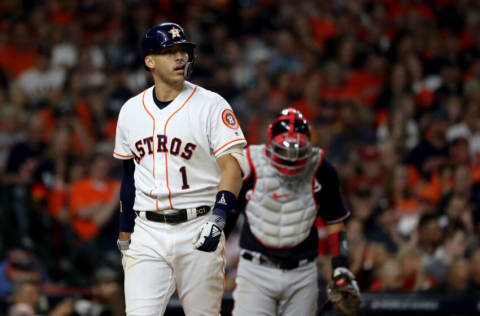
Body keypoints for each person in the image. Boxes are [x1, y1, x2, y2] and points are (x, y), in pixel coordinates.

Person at [113, 22, 247, 316]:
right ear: (150, 61)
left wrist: (220, 217)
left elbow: (233, 167)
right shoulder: (130, 110)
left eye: (182, 51)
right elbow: (129, 176)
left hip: (198, 227)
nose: (179, 58)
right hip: (147, 231)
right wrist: (124, 234)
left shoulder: (212, 104)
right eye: (169, 52)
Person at [225, 108, 360, 316]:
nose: (291, 157)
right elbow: (229, 214)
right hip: (256, 270)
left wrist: (340, 266)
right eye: (286, 150)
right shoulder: (248, 163)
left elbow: (335, 221)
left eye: (297, 151)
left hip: (302, 272)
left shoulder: (322, 168)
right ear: (270, 144)